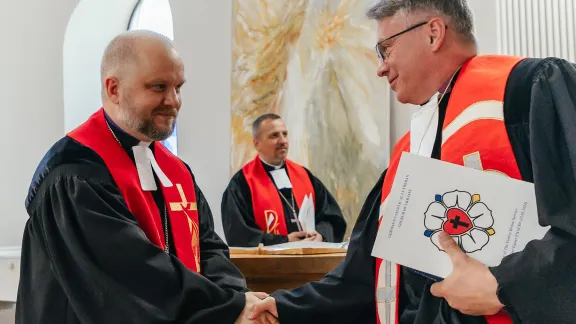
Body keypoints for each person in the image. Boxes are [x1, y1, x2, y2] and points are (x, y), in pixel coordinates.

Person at [247, 0, 576, 323]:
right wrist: (279, 306)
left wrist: (505, 285)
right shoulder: (408, 151)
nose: (380, 67)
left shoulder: (528, 90)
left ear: (433, 33)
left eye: (385, 49)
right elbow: (362, 278)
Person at [16, 30, 277, 324]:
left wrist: (234, 298)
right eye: (158, 87)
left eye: (178, 87)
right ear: (114, 89)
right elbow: (127, 273)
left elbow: (208, 246)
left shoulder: (175, 171)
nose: (174, 100)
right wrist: (228, 307)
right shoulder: (75, 172)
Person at [221, 113, 347, 247]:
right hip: (269, 266)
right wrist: (285, 242)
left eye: (285, 134)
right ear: (257, 144)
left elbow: (332, 218)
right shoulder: (242, 184)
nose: (283, 141)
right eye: (274, 135)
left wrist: (321, 235)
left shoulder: (305, 176)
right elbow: (239, 234)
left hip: (311, 264)